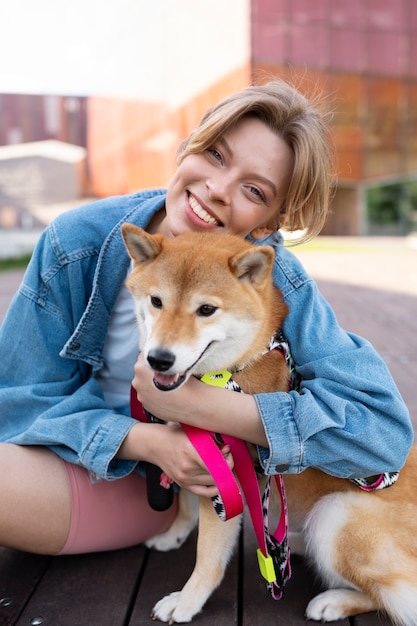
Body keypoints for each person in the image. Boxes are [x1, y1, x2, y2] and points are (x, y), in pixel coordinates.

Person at [0, 80, 412, 557]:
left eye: (254, 189)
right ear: (189, 147)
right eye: (216, 155)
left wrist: (210, 410)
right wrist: (147, 442)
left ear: (268, 225)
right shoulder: (77, 243)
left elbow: (381, 434)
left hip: (176, 492)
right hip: (91, 462)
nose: (217, 189)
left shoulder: (276, 282)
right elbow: (17, 405)